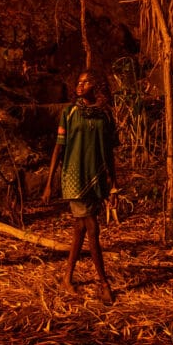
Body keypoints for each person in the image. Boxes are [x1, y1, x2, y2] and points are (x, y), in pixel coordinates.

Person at [42, 68, 119, 303]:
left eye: (86, 82)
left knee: (79, 230)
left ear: (96, 86)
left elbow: (109, 153)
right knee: (93, 230)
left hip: (95, 178)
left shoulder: (104, 116)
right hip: (74, 178)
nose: (80, 85)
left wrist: (114, 185)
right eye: (79, 81)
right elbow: (59, 147)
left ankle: (67, 278)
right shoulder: (70, 113)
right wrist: (49, 182)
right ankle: (103, 283)